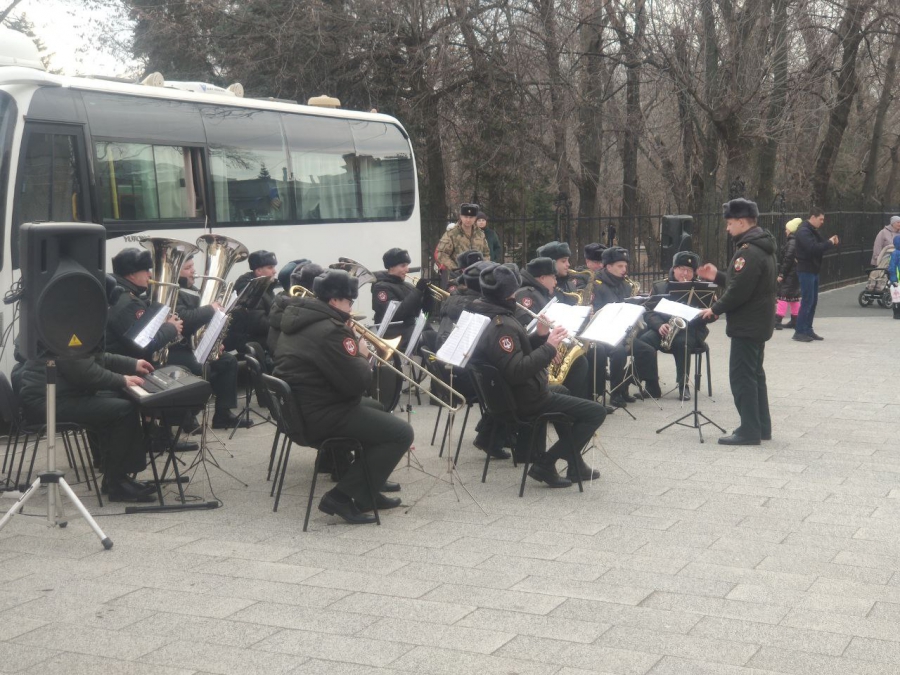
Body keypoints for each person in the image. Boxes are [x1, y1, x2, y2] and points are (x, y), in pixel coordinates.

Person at [273, 269, 412, 524]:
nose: (351, 308)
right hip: (322, 413)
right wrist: (363, 353)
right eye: (349, 302)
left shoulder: (300, 319)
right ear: (335, 300)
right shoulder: (330, 330)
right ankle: (341, 497)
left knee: (378, 408)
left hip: (304, 408)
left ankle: (366, 490)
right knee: (401, 433)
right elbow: (357, 384)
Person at [470, 263, 605, 485]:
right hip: (523, 399)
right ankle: (546, 463)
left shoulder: (492, 314)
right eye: (514, 290)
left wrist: (541, 336)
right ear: (507, 294)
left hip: (516, 394)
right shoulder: (501, 326)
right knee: (596, 413)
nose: (517, 294)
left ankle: (575, 463)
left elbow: (514, 355)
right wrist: (550, 347)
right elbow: (516, 371)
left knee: (563, 390)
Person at [18, 353, 157, 502]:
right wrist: (121, 380)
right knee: (123, 410)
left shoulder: (68, 331)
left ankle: (115, 479)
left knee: (115, 403)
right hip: (46, 403)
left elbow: (93, 357)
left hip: (55, 397)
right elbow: (84, 373)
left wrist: (132, 363)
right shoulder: (66, 334)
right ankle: (118, 484)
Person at [698, 198, 776, 446]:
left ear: (742, 222)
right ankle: (761, 426)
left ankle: (749, 430)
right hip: (758, 322)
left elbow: (740, 291)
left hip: (747, 324)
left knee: (742, 377)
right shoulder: (760, 246)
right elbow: (741, 282)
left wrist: (714, 309)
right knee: (755, 375)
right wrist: (718, 276)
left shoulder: (748, 251)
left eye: (730, 223)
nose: (728, 228)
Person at [169, 257, 249, 430]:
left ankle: (222, 415)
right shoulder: (173, 292)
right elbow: (185, 320)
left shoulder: (194, 291)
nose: (193, 271)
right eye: (188, 267)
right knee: (199, 367)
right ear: (176, 272)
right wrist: (210, 309)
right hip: (176, 348)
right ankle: (188, 416)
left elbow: (205, 323)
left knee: (228, 361)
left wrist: (214, 341)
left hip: (193, 347)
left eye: (192, 267)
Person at [514, 256, 592, 401]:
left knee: (580, 361)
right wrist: (548, 346)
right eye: (553, 277)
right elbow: (526, 329)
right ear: (542, 278)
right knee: (579, 364)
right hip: (534, 351)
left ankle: (573, 403)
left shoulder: (539, 293)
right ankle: (566, 405)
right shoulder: (527, 295)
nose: (556, 282)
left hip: (543, 346)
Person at [638, 251, 709, 401]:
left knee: (681, 343)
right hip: (664, 328)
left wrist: (711, 312)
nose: (685, 273)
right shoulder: (660, 286)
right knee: (643, 341)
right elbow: (649, 311)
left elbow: (708, 318)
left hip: (690, 330)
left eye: (689, 270)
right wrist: (659, 325)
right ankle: (652, 385)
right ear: (674, 269)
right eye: (682, 269)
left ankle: (684, 386)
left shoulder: (701, 289)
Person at [592, 246, 658, 403]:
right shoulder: (596, 284)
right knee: (619, 352)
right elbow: (596, 313)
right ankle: (615, 393)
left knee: (648, 351)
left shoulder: (626, 285)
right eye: (620, 266)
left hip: (623, 332)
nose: (624, 270)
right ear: (608, 267)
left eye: (625, 266)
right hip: (603, 334)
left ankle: (625, 384)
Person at [106, 248, 183, 365]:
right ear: (132, 273)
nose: (150, 274)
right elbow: (143, 345)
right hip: (124, 368)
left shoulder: (116, 293)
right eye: (146, 270)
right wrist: (171, 327)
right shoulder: (129, 303)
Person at [371, 247, 434, 350]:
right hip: (395, 332)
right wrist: (418, 291)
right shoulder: (381, 288)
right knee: (429, 339)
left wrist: (428, 296)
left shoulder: (408, 286)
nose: (407, 269)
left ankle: (434, 365)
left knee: (438, 338)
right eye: (403, 266)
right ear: (391, 267)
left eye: (407, 265)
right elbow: (397, 313)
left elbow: (425, 314)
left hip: (414, 327)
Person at [793, 208, 838, 342]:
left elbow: (820, 245)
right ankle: (799, 331)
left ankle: (808, 329)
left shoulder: (811, 230)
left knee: (812, 301)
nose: (822, 222)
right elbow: (813, 249)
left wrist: (829, 242)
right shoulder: (803, 231)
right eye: (821, 219)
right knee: (807, 300)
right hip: (806, 269)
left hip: (813, 269)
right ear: (812, 217)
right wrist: (829, 242)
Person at [226, 250, 278, 356]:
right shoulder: (251, 289)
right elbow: (258, 324)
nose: (274, 271)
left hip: (258, 339)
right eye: (270, 267)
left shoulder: (265, 286)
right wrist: (281, 319)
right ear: (258, 271)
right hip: (251, 342)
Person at [435, 204, 491, 273]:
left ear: (475, 218)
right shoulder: (452, 234)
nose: (468, 220)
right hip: (457, 277)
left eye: (471, 217)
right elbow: (441, 254)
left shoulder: (480, 234)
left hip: (477, 275)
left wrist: (482, 267)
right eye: (465, 217)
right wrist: (456, 268)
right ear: (461, 217)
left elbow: (486, 253)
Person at [775, 218, 802, 331]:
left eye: (786, 229)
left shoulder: (791, 243)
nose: (785, 231)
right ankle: (796, 319)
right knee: (794, 297)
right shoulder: (798, 242)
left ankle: (777, 320)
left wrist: (781, 274)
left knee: (783, 296)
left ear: (791, 230)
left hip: (790, 274)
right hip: (796, 273)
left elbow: (787, 260)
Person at [536, 241, 579, 305]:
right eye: (563, 261)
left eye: (568, 260)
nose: (568, 264)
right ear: (551, 263)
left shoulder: (570, 285)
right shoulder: (541, 288)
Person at [889, 234, 900, 320]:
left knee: (897, 297)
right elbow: (892, 268)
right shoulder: (895, 254)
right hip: (897, 280)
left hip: (897, 279)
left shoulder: (895, 253)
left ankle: (897, 313)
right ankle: (897, 313)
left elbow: (892, 267)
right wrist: (893, 279)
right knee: (897, 297)